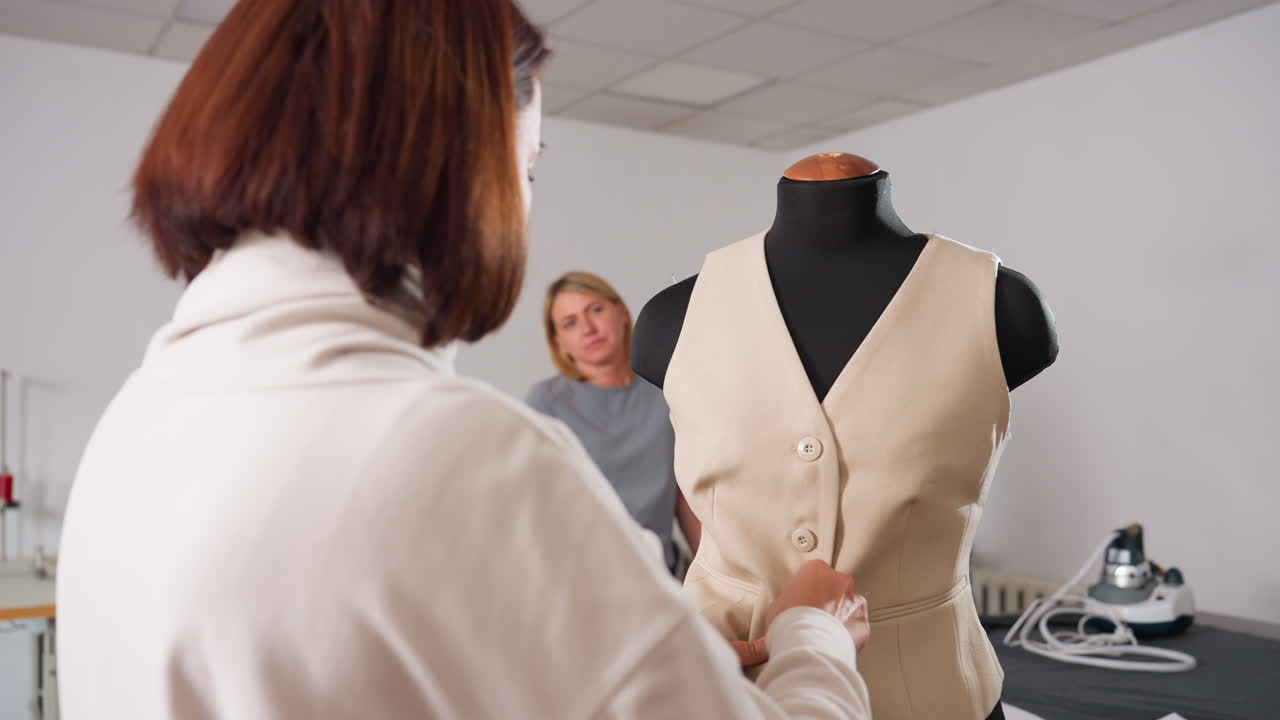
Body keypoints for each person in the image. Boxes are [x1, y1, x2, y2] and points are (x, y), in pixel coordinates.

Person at [55, 0, 873, 717]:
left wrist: (644, 669)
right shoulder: (473, 454)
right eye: (525, 167)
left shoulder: (139, 422)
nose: (524, 205)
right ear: (463, 164)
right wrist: (813, 639)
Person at [527, 272, 700, 572]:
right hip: (583, 580)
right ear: (560, 341)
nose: (588, 328)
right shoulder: (546, 403)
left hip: (661, 575)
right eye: (570, 323)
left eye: (595, 310)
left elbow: (684, 498)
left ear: (621, 312)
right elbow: (536, 510)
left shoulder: (665, 391)